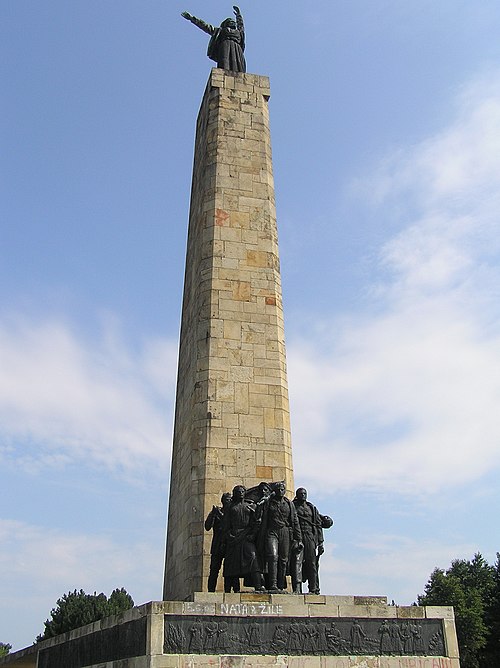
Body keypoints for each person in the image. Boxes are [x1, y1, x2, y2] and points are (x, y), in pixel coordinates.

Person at [259, 481, 302, 592]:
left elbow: (295, 521)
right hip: (272, 531)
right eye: (278, 489)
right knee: (273, 556)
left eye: (282, 489)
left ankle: (281, 585)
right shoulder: (269, 502)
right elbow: (261, 515)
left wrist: (299, 539)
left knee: (283, 560)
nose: (280, 491)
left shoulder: (289, 504)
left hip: (285, 531)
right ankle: (273, 584)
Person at [222, 485, 263, 592]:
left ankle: (258, 585)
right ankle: (228, 589)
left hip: (246, 535)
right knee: (231, 563)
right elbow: (225, 524)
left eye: (242, 491)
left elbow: (256, 522)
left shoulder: (250, 506)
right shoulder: (230, 507)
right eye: (238, 492)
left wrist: (253, 534)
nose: (240, 493)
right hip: (234, 536)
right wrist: (228, 535)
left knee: (253, 557)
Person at [181, 6, 246, 73]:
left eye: (233, 21)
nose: (233, 22)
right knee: (224, 62)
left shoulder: (239, 32)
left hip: (237, 48)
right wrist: (192, 18)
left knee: (238, 63)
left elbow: (241, 26)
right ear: (226, 23)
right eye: (230, 21)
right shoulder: (220, 31)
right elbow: (205, 26)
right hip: (225, 46)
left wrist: (238, 15)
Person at [292, 488, 325, 594]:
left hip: (310, 537)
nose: (303, 495)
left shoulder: (312, 508)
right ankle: (297, 588)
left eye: (304, 493)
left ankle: (314, 588)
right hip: (298, 537)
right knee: (297, 562)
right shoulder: (292, 506)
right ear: (297, 495)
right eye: (301, 494)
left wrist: (320, 542)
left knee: (312, 563)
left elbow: (318, 525)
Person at [204, 492, 232, 592]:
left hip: (229, 544)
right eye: (226, 500)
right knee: (214, 570)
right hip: (217, 545)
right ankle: (211, 590)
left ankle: (228, 591)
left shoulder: (232, 513)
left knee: (229, 571)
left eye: (230, 499)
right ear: (223, 501)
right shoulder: (216, 512)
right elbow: (207, 527)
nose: (228, 501)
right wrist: (212, 515)